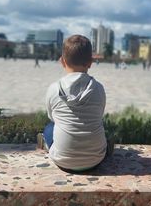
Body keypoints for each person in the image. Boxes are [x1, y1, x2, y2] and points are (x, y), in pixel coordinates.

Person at [40, 35, 108, 172]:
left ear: (62, 61)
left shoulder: (54, 89)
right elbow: (99, 115)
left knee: (50, 127)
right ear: (90, 62)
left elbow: (51, 116)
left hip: (63, 161)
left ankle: (49, 146)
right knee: (98, 125)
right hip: (96, 159)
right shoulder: (99, 88)